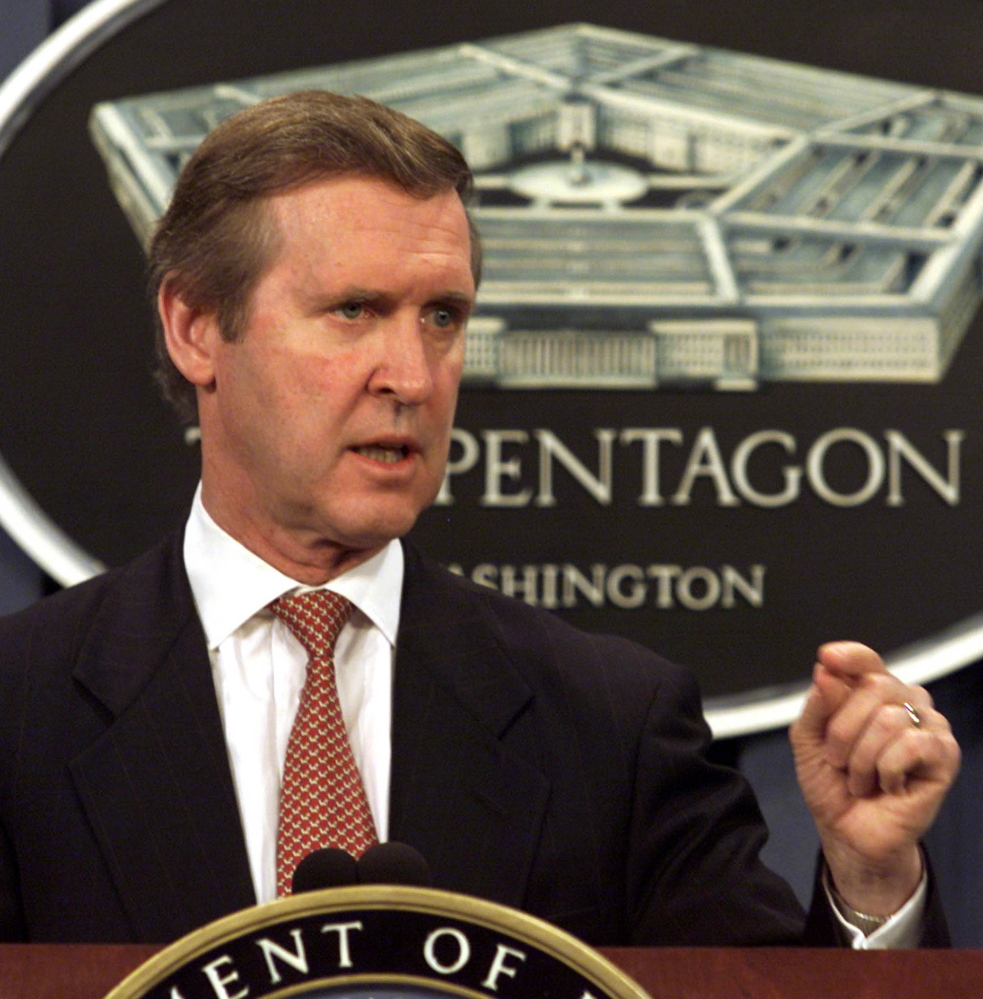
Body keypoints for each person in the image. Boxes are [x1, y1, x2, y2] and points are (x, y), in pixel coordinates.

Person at [0, 91, 959, 946]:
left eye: (444, 317)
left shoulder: (609, 726)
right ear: (197, 327)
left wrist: (870, 884)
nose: (412, 377)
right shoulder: (20, 713)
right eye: (354, 310)